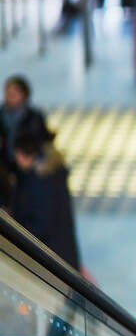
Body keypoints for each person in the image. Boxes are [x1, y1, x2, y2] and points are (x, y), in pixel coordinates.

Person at [11, 134, 81, 271]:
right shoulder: (53, 173)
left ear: (21, 155)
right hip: (63, 254)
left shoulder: (39, 181)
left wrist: (15, 231)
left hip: (51, 259)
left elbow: (42, 224)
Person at [0, 76, 52, 172]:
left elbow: (41, 140)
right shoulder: (1, 115)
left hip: (28, 166)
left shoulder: (34, 117)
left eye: (15, 93)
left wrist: (29, 154)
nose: (10, 96)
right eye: (8, 92)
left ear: (24, 94)